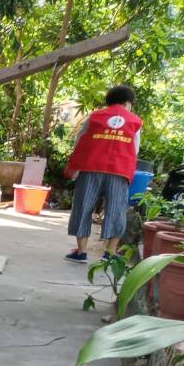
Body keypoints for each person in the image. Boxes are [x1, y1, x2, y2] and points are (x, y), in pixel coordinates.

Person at [65, 84, 143, 263]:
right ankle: (110, 253)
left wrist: (77, 166)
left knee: (83, 207)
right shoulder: (135, 121)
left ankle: (81, 252)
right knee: (116, 210)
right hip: (119, 170)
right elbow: (135, 148)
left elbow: (80, 140)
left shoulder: (94, 116)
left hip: (91, 168)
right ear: (128, 102)